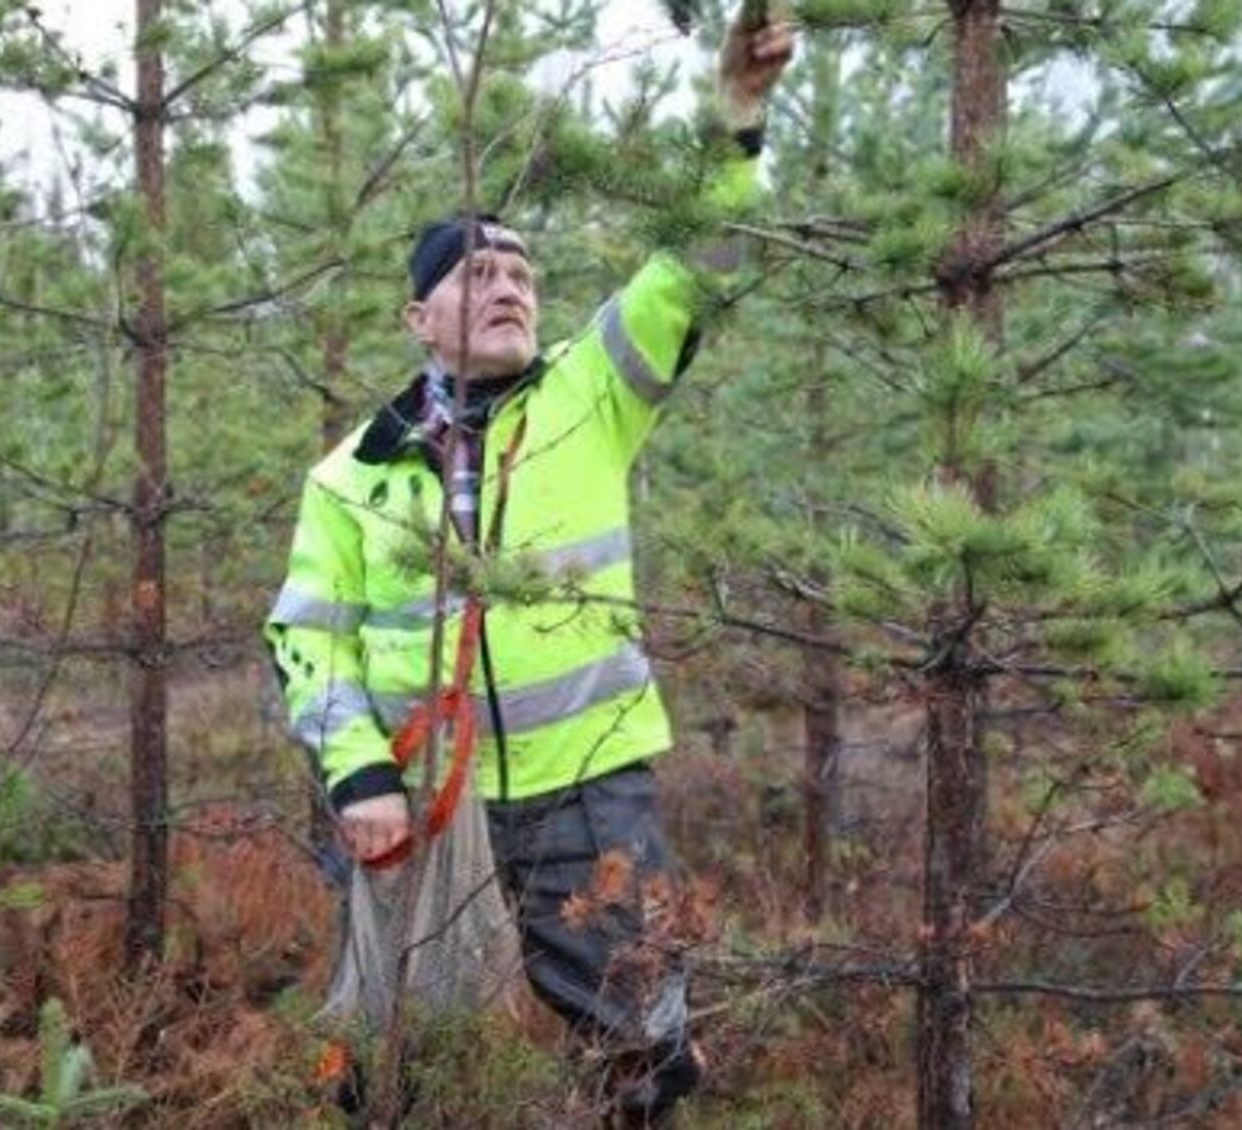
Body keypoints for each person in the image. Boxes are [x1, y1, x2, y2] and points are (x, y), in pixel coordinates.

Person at [264, 5, 795, 1123]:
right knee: (389, 1054)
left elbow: (694, 263)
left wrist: (736, 114)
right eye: (477, 272)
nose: (509, 285)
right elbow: (307, 639)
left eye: (521, 270)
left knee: (638, 1034)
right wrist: (357, 772)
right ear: (420, 314)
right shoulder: (350, 473)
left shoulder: (590, 392)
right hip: (417, 798)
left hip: (586, 790)